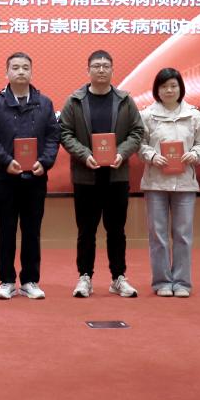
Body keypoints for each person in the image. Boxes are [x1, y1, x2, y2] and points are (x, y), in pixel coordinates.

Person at [58, 50, 146, 298]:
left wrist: (122, 153)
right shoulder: (75, 100)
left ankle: (118, 277)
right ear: (88, 70)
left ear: (112, 69)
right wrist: (84, 154)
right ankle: (84, 277)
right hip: (86, 176)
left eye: (106, 66)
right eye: (96, 66)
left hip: (117, 175)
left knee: (116, 230)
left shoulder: (125, 100)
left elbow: (137, 132)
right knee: (86, 230)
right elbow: (64, 132)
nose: (101, 70)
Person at [0, 52, 59, 300]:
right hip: (5, 177)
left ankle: (30, 280)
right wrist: (6, 161)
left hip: (36, 176)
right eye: (15, 67)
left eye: (25, 67)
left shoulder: (44, 103)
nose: (21, 71)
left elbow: (53, 136)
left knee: (32, 230)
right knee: (6, 229)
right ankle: (6, 280)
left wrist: (44, 162)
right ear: (7, 72)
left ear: (31, 72)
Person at [139, 68, 200, 297]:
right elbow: (139, 144)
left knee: (183, 235)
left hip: (185, 183)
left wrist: (195, 154)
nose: (169, 90)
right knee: (158, 235)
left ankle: (182, 282)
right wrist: (152, 156)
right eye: (164, 86)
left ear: (180, 88)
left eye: (173, 86)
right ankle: (161, 282)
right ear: (157, 90)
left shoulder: (194, 115)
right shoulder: (147, 115)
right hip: (156, 183)